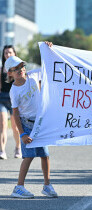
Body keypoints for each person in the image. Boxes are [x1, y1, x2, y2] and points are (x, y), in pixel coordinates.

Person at [5, 42, 58, 199]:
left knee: (45, 155)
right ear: (10, 73)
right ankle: (19, 187)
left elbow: (49, 67)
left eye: (22, 66)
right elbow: (15, 114)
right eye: (16, 69)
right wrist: (22, 134)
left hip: (39, 124)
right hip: (27, 125)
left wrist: (49, 50)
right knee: (28, 156)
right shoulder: (14, 91)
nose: (20, 70)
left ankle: (47, 185)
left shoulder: (34, 75)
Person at [0, 45, 21, 159]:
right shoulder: (1, 68)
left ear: (14, 54)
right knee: (3, 124)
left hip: (14, 100)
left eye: (10, 52)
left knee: (15, 127)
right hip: (2, 99)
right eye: (5, 53)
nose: (7, 55)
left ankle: (18, 147)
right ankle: (2, 150)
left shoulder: (19, 68)